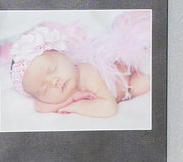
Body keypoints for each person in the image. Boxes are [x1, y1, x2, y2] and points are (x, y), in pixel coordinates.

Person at [8, 13, 151, 117]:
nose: (54, 82)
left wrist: (74, 106)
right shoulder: (57, 95)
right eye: (45, 89)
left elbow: (108, 108)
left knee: (142, 84)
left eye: (53, 69)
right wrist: (67, 99)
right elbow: (40, 107)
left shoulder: (87, 73)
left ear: (67, 56)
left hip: (127, 80)